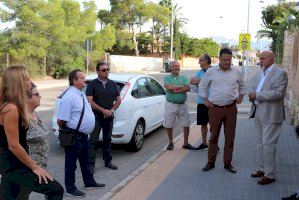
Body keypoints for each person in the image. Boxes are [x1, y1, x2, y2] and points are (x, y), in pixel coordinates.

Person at [0, 65, 63, 200]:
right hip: (14, 166)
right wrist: (35, 167)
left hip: (13, 164)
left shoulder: (12, 105)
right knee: (56, 190)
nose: (30, 81)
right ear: (18, 83)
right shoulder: (10, 108)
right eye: (27, 79)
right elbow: (13, 145)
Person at [57, 69, 105, 198]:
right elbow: (60, 120)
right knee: (71, 164)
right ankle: (70, 188)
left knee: (86, 161)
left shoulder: (80, 93)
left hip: (83, 136)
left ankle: (89, 182)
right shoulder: (69, 96)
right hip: (74, 136)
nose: (85, 80)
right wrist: (71, 131)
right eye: (82, 78)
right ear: (74, 80)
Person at [198, 48, 246, 173]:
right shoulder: (211, 71)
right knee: (213, 136)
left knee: (230, 137)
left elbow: (242, 85)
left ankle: (227, 163)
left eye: (229, 59)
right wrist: (205, 100)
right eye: (224, 59)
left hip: (231, 109)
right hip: (215, 109)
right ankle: (211, 162)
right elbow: (203, 86)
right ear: (219, 59)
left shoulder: (237, 72)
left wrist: (241, 96)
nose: (227, 62)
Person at [248, 50, 288, 185]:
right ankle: (263, 168)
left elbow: (278, 93)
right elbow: (254, 87)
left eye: (263, 58)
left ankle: (270, 175)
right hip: (258, 111)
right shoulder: (261, 72)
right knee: (260, 143)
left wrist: (257, 95)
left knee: (268, 144)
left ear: (271, 59)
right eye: (260, 58)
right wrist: (251, 93)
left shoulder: (280, 73)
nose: (260, 60)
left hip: (272, 113)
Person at [16, 83, 50, 199]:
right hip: (28, 169)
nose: (40, 96)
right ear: (27, 98)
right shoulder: (21, 118)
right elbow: (14, 145)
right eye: (37, 94)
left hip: (41, 167)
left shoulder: (35, 114)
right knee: (20, 196)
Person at [86, 62, 121, 172]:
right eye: (104, 70)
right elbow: (89, 101)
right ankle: (91, 164)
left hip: (109, 117)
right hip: (96, 116)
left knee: (107, 139)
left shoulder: (113, 84)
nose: (106, 72)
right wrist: (103, 110)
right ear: (98, 72)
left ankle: (108, 161)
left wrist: (111, 110)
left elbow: (119, 100)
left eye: (107, 69)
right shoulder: (92, 84)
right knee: (93, 141)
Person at [163, 60, 194, 151]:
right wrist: (181, 87)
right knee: (169, 124)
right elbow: (168, 87)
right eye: (175, 66)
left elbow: (187, 88)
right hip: (171, 104)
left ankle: (186, 143)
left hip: (182, 105)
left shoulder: (184, 77)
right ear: (171, 68)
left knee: (186, 124)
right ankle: (171, 142)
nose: (177, 68)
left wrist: (175, 90)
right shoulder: (167, 78)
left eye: (178, 66)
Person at [190, 54, 212, 151]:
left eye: (200, 60)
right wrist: (203, 80)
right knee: (203, 124)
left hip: (212, 102)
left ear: (206, 61)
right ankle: (204, 143)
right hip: (201, 102)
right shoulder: (200, 72)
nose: (199, 62)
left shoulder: (213, 71)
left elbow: (213, 82)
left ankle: (214, 144)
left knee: (213, 125)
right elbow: (192, 81)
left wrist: (199, 81)